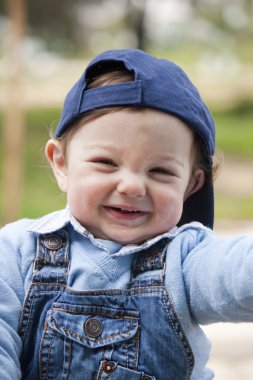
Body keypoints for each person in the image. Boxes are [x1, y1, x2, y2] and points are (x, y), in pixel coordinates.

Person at [0, 49, 252, 380]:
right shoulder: (16, 253)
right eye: (106, 163)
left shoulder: (185, 261)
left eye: (160, 170)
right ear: (61, 164)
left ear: (191, 184)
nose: (132, 186)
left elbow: (236, 272)